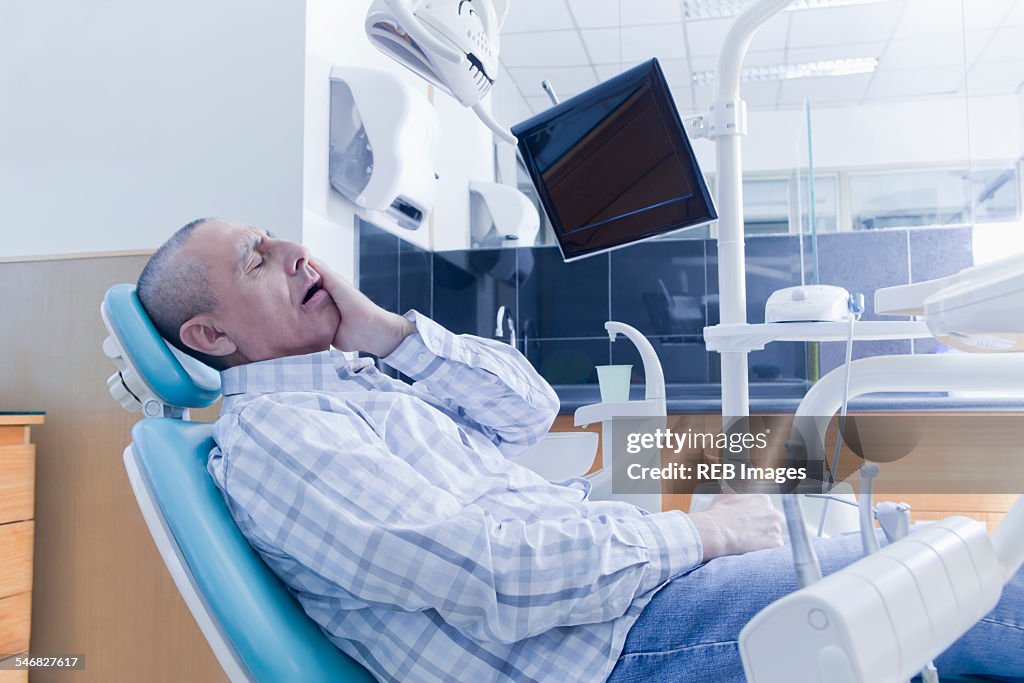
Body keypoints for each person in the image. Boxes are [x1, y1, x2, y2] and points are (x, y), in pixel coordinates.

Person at [137, 218, 1023, 682]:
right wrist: (703, 535)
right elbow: (489, 569)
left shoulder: (358, 380)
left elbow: (524, 411)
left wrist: (386, 331)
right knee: (962, 579)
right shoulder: (273, 445)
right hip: (603, 652)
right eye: (258, 259)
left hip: (628, 600)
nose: (294, 251)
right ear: (212, 332)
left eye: (274, 238)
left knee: (922, 554)